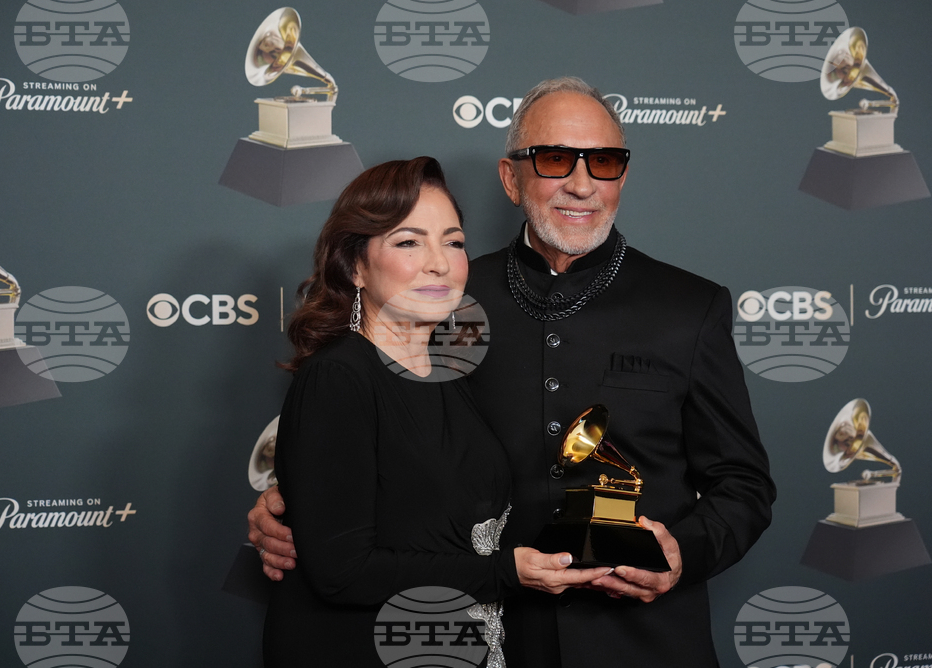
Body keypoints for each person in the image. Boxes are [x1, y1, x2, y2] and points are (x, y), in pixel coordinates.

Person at [250, 79, 776, 667]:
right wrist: (287, 502)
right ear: (511, 177)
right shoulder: (444, 296)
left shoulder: (689, 307)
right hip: (489, 638)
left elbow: (743, 484)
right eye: (555, 160)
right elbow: (381, 439)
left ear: (622, 177)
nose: (582, 184)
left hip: (647, 642)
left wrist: (685, 551)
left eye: (603, 162)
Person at [260, 156, 609, 667]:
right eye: (408, 242)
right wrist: (507, 573)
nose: (439, 262)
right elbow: (341, 571)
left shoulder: (454, 375)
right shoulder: (340, 377)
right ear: (355, 265)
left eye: (453, 241)